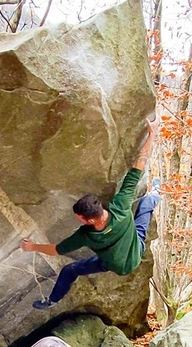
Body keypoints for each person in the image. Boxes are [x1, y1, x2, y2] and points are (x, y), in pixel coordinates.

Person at [21, 116, 161, 309]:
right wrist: (152, 133)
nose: (76, 219)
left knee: (70, 270)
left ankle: (51, 301)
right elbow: (140, 163)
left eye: (78, 217)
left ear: (88, 221)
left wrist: (32, 247)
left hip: (113, 265)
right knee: (146, 204)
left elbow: (55, 250)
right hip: (136, 251)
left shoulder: (86, 236)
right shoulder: (120, 205)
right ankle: (157, 193)